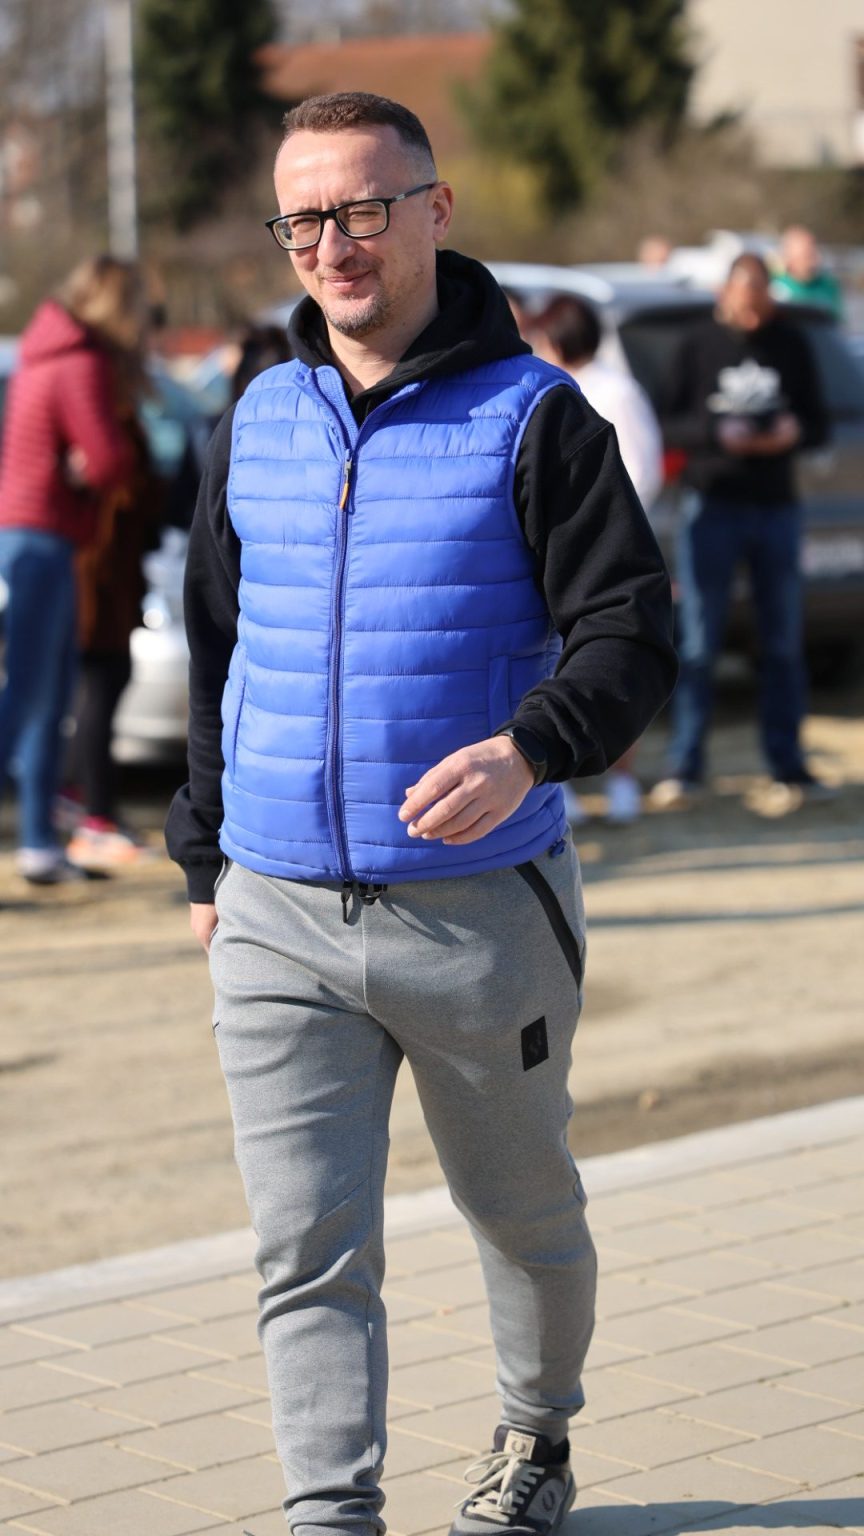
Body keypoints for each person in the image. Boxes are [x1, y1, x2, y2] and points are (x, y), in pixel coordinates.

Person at [166, 91, 677, 1536]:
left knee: (520, 1214)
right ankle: (331, 1511)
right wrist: (204, 860)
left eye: (363, 209)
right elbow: (219, 647)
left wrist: (531, 749)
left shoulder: (536, 418)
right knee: (305, 1246)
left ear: (435, 212)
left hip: (479, 916)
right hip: (276, 911)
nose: (333, 245)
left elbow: (632, 632)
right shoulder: (256, 419)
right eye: (304, 219)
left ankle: (536, 1435)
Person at [654, 252, 829, 807]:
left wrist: (793, 431)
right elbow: (666, 422)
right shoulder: (696, 343)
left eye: (762, 305)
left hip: (776, 509)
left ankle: (789, 766)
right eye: (745, 304)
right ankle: (685, 765)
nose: (754, 317)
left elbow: (820, 422)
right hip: (713, 506)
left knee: (782, 643)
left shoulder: (791, 342)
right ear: (725, 294)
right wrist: (715, 432)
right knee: (700, 642)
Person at [0, 257, 134, 884]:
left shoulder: (41, 353)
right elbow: (108, 459)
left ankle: (38, 843)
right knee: (29, 697)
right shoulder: (80, 361)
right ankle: (35, 841)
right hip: (43, 537)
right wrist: (99, 464)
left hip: (29, 532)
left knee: (45, 696)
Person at [537, 293, 664, 824]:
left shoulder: (611, 390)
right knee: (553, 664)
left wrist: (610, 528)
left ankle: (622, 784)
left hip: (610, 551)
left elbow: (645, 468)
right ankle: (557, 785)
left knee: (614, 663)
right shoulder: (544, 389)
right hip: (552, 552)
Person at [62, 263, 163, 869]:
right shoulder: (95, 372)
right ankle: (92, 813)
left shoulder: (98, 370)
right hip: (94, 561)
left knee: (100, 681)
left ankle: (85, 802)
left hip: (106, 560)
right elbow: (111, 469)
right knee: (100, 679)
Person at [772, 225, 843, 320]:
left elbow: (838, 321)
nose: (813, 260)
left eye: (813, 252)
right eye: (806, 255)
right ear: (788, 256)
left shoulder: (828, 286)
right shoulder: (774, 286)